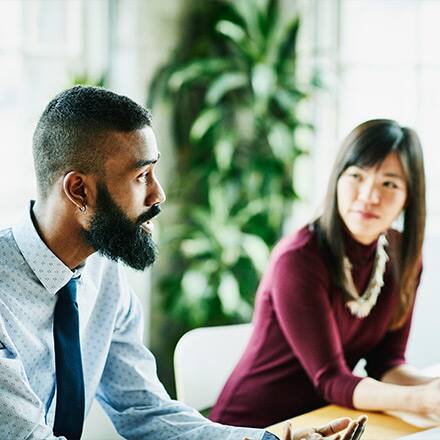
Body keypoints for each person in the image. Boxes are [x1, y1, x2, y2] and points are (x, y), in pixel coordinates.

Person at [0, 86, 366, 440]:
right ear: (79, 190)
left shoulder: (102, 271)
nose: (158, 194)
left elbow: (145, 410)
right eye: (141, 176)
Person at [211, 119, 440, 428]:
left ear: (409, 197)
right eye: (357, 176)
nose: (370, 196)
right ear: (337, 180)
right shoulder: (299, 259)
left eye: (390, 183)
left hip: (324, 424)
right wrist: (421, 400)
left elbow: (387, 363)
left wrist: (431, 387)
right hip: (254, 426)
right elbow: (331, 379)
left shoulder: (402, 256)